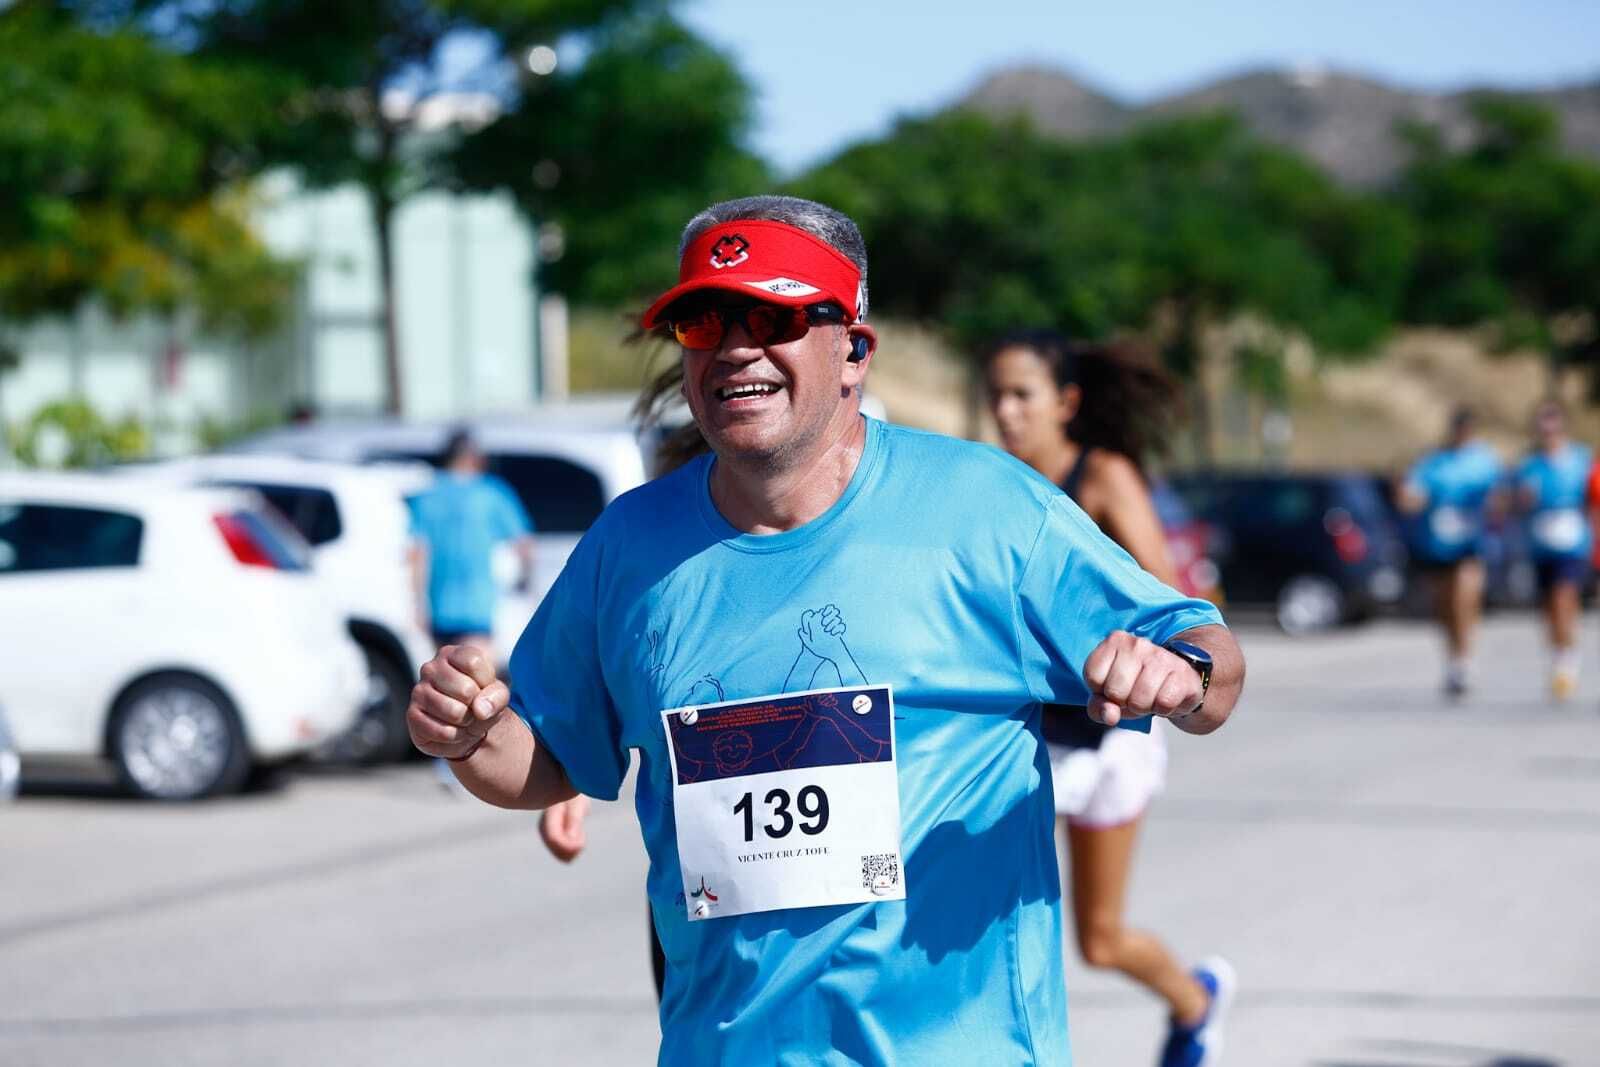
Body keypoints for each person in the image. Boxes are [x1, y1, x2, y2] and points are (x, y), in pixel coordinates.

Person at [406, 195, 1245, 1065]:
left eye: (771, 316)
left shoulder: (986, 509)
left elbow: (1209, 656)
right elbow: (544, 763)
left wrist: (1180, 674)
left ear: (853, 350)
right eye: (705, 320)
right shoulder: (629, 547)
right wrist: (475, 734)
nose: (735, 346)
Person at [984, 329, 1232, 1064]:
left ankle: (1196, 1001)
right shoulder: (993, 485)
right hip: (1025, 738)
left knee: (1099, 940)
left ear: (1065, 402)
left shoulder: (1102, 477)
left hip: (1109, 735)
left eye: (1021, 394)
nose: (1005, 411)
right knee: (983, 918)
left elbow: (1169, 603)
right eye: (994, 395)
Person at [1397, 408, 1503, 698]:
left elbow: (1501, 496)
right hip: (1438, 542)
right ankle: (1453, 657)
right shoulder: (1433, 462)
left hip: (1472, 543)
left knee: (1463, 596)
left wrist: (1494, 503)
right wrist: (1409, 499)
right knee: (1444, 605)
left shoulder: (1484, 461)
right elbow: (1412, 496)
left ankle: (1465, 658)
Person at [406, 428, 535, 659]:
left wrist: (418, 604)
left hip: (438, 606)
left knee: (444, 680)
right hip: (479, 606)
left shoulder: (425, 496)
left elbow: (417, 553)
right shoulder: (491, 493)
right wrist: (525, 583)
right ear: (475, 457)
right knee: (477, 677)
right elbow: (524, 544)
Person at [1513, 400, 1592, 700]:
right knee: (1548, 608)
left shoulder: (1582, 459)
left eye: (1553, 420)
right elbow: (1515, 504)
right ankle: (1560, 651)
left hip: (1572, 539)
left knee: (1563, 597)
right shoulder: (1529, 465)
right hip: (1540, 541)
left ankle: (1566, 661)